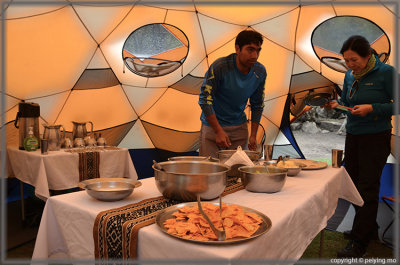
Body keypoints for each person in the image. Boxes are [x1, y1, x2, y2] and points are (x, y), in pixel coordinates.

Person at [325, 35, 395, 257]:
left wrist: (372, 108)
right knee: (353, 185)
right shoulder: (349, 75)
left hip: (375, 137)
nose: (349, 65)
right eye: (346, 60)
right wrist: (338, 105)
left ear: (368, 56)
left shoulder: (386, 73)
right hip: (353, 135)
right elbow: (348, 101)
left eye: (354, 60)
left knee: (367, 186)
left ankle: (359, 242)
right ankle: (369, 229)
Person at [198, 30, 266, 158]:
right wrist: (218, 131)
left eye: (258, 51)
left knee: (237, 172)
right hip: (212, 127)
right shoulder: (220, 67)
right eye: (250, 50)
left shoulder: (260, 71)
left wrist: (253, 136)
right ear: (237, 49)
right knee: (209, 173)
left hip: (239, 128)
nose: (255, 56)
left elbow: (257, 104)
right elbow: (205, 100)